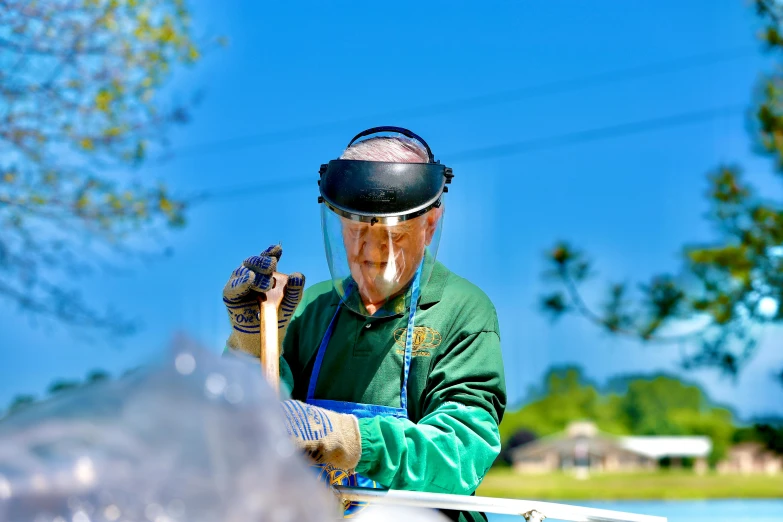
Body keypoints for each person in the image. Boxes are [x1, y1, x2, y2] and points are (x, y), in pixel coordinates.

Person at [222, 127, 506, 521]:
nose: (371, 253)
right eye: (356, 231)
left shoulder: (462, 310)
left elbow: (460, 454)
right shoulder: (307, 306)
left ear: (430, 223)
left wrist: (350, 440)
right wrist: (252, 341)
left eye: (394, 236)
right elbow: (240, 431)